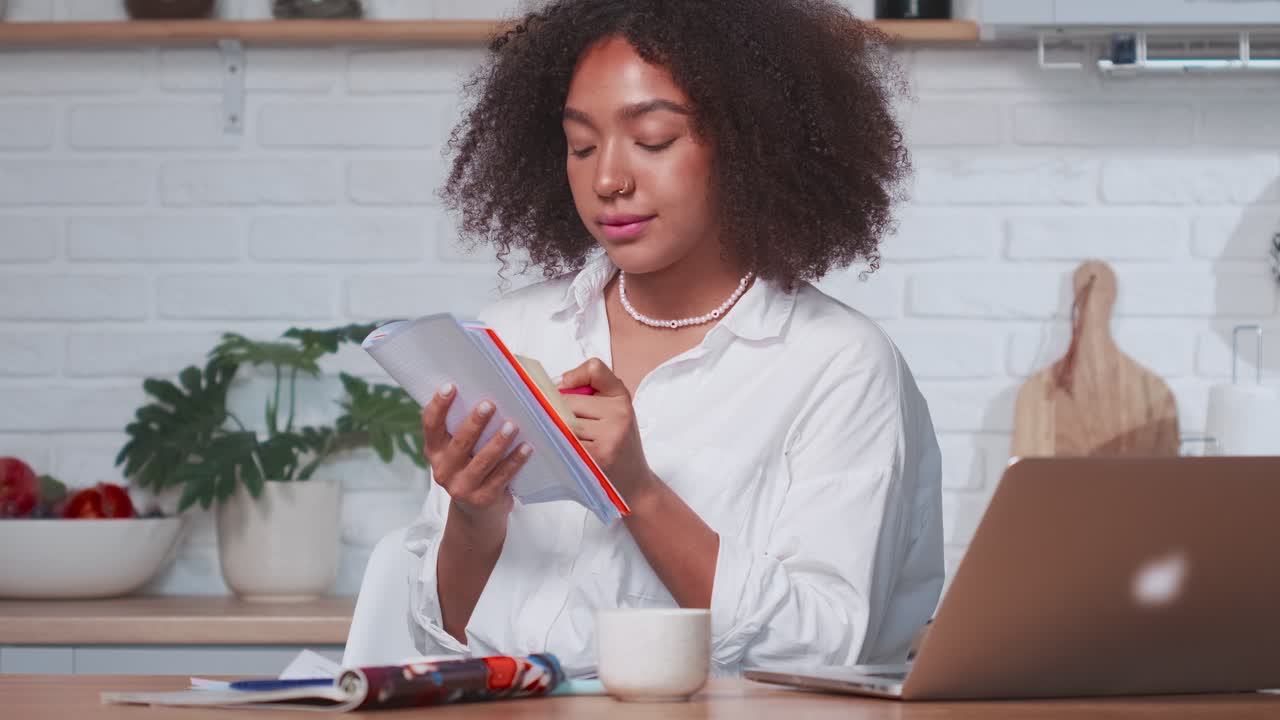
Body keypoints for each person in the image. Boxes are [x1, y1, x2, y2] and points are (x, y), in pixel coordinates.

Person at [404, 0, 943, 676]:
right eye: (581, 145)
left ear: (752, 143)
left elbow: (829, 645)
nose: (607, 179)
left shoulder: (836, 364)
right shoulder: (513, 333)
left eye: (653, 139)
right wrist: (475, 514)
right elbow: (439, 642)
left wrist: (638, 490)